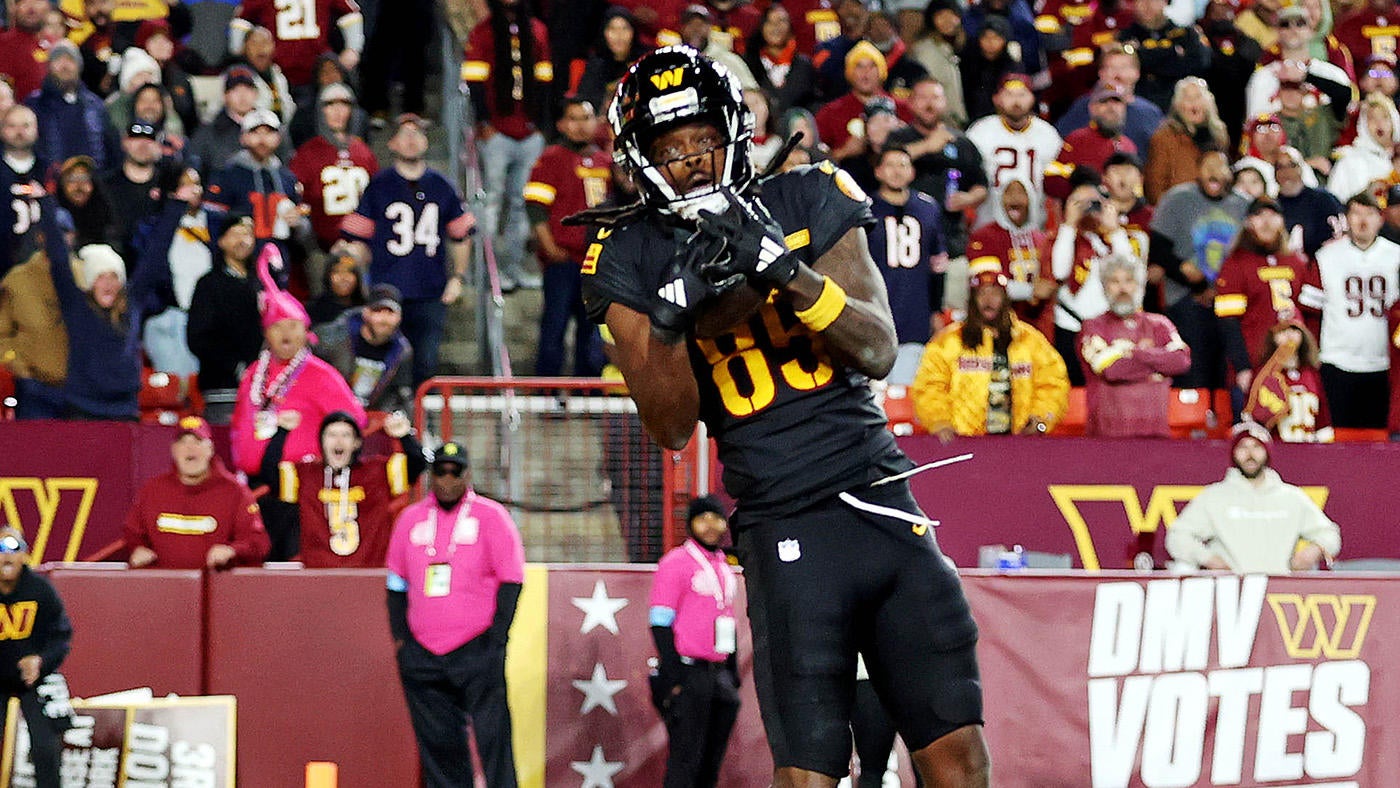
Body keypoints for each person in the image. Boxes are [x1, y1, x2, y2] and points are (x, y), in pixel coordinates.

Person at [577, 47, 990, 786]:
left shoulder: (807, 193)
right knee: (810, 772)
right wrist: (672, 318)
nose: (694, 163)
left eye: (703, 139)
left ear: (734, 130)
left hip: (881, 502)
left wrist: (784, 269)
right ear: (639, 160)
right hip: (782, 527)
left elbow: (878, 346)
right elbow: (670, 426)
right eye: (671, 150)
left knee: (957, 758)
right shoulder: (625, 252)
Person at [386, 441, 524, 788]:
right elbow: (395, 585)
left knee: (494, 741)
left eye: (454, 472)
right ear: (431, 475)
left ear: (467, 474)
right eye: (440, 471)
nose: (447, 480)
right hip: (423, 654)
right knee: (439, 744)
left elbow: (512, 580)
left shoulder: (492, 516)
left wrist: (496, 640)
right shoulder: (410, 518)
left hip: (476, 649)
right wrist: (403, 641)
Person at [230, 245, 365, 558]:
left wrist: (320, 462)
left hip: (300, 494)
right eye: (278, 327)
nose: (286, 333)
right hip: (256, 491)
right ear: (267, 332)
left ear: (305, 331)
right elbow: (239, 425)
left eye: (293, 326)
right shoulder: (253, 373)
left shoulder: (321, 374)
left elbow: (353, 422)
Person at [341, 114, 474, 386]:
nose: (412, 141)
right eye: (405, 134)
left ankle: (420, 423)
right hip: (387, 291)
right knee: (385, 363)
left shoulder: (442, 185)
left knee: (426, 364)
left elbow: (461, 235)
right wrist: (364, 279)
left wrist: (457, 278)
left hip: (430, 290)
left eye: (418, 134)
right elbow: (356, 239)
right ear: (392, 143)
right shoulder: (378, 184)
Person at [911, 258, 1069, 439]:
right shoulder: (947, 342)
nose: (988, 300)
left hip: (1020, 444)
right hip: (965, 443)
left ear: (1005, 298)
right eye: (982, 293)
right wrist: (940, 422)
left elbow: (1053, 383)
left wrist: (1041, 420)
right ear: (972, 300)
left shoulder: (1030, 341)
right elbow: (929, 387)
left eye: (995, 293)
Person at [649, 494, 741, 788]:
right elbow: (659, 622)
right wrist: (675, 675)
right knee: (685, 760)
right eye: (703, 518)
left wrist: (733, 673)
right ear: (691, 524)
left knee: (710, 764)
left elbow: (728, 620)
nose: (711, 525)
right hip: (689, 674)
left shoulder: (724, 565)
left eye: (716, 517)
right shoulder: (675, 563)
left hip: (719, 676)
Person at [461, 0, 554, 292]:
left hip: (529, 133)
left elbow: (545, 80)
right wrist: (484, 123)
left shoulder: (537, 30)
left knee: (521, 205)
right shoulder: (482, 32)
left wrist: (541, 126)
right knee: (491, 202)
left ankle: (512, 270)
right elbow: (474, 81)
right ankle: (486, 272)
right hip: (496, 132)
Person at [1165, 421, 1340, 573]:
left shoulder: (1291, 497)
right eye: (1243, 447)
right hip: (1233, 594)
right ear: (1233, 453)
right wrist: (1208, 559)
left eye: (1256, 447)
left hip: (1279, 593)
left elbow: (1330, 535)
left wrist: (1312, 552)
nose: (1250, 454)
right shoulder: (1214, 496)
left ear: (1267, 453)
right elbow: (1177, 537)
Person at [268, 410, 425, 567]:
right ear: (321, 441)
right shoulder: (305, 474)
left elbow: (417, 465)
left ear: (356, 442)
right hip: (319, 576)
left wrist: (404, 437)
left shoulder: (378, 471)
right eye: (331, 435)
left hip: (368, 574)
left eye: (346, 435)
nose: (338, 441)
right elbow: (270, 474)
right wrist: (281, 433)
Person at [1148, 151, 1248, 390]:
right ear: (1198, 171)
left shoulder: (1243, 204)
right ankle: (1192, 423)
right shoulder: (1177, 198)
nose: (1214, 172)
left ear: (1230, 173)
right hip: (1185, 299)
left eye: (1220, 167)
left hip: (1230, 301)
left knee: (1227, 374)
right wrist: (1198, 285)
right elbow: (1159, 250)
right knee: (1193, 375)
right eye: (1208, 166)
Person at [525, 97, 610, 377]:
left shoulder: (605, 160)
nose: (580, 125)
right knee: (555, 325)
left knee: (592, 331)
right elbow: (536, 208)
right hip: (562, 260)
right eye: (573, 118)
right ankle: (546, 394)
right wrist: (549, 247)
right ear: (562, 124)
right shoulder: (550, 158)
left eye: (585, 118)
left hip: (596, 264)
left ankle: (588, 395)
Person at [124, 415, 271, 569]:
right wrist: (137, 548)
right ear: (173, 450)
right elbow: (133, 532)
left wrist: (232, 550)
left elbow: (258, 542)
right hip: (163, 588)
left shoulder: (236, 492)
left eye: (198, 441)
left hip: (218, 589)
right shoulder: (152, 490)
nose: (190, 448)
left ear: (210, 449)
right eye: (183, 442)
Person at [1078, 255, 1192, 437]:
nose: (1122, 288)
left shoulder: (1160, 324)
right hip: (1106, 437)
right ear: (1105, 287)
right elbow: (1110, 369)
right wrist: (1158, 366)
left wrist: (1133, 352)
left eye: (1129, 281)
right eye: (1114, 281)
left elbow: (1181, 361)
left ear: (1140, 286)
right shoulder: (1093, 326)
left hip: (1156, 436)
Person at [1048, 179, 1147, 385]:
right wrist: (1069, 224)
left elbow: (1130, 272)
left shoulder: (1116, 239)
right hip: (1071, 326)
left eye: (1093, 202)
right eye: (1079, 203)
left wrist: (1114, 229)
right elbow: (1059, 271)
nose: (1087, 208)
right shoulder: (1063, 237)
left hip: (1109, 327)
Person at [1314, 193, 1398, 429]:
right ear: (1346, 218)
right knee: (1340, 437)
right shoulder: (1326, 257)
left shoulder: (1396, 256)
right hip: (1337, 361)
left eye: (1370, 213)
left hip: (1384, 362)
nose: (1363, 220)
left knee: (1379, 440)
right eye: (1357, 213)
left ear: (1380, 219)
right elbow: (1312, 312)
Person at [0, 526, 73, 788]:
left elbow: (61, 636)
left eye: (12, 548)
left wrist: (41, 661)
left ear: (25, 555)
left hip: (34, 681)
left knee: (46, 747)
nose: (5, 556)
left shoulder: (41, 590)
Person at [866, 145, 945, 383]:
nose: (897, 172)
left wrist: (936, 309)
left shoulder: (928, 208)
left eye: (902, 165)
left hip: (915, 314)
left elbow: (938, 265)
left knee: (907, 392)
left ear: (912, 172)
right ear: (878, 171)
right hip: (875, 314)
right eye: (890, 165)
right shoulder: (864, 210)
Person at [186, 213, 266, 424]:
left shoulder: (263, 283)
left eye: (248, 234)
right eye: (235, 234)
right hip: (223, 391)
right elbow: (198, 338)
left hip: (263, 390)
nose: (243, 240)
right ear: (221, 241)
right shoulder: (209, 284)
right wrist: (235, 366)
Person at [966, 73, 1062, 230]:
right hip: (988, 224)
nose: (1016, 101)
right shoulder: (980, 131)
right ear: (997, 98)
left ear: (1032, 98)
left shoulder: (1048, 134)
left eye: (1022, 95)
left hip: (1036, 226)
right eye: (1009, 95)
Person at [312, 283, 415, 413]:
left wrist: (396, 417)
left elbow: (400, 394)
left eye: (390, 313)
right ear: (366, 313)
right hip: (329, 413)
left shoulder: (402, 352)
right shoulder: (331, 337)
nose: (384, 319)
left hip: (370, 418)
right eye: (378, 311)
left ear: (399, 318)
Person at [26, 39, 122, 174]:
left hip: (91, 183)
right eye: (58, 60)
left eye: (70, 60)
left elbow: (110, 148)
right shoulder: (35, 104)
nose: (64, 66)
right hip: (51, 183)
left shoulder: (96, 105)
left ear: (79, 67)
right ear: (49, 66)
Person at [1143, 77, 1229, 204]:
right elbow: (1154, 187)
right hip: (1178, 211)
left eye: (1198, 97)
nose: (1194, 104)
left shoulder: (1219, 134)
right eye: (1188, 98)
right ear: (1178, 105)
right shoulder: (1164, 138)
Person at [1116, 0, 1211, 113]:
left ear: (1166, 2)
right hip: (1137, 106)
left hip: (1179, 107)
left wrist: (1143, 55)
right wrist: (1173, 54)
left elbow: (1201, 63)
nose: (1147, 5)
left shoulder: (1185, 34)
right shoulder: (1124, 37)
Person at [1246, 320, 1333, 442]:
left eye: (1294, 329)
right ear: (1272, 337)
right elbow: (1254, 417)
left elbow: (1322, 416)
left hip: (1309, 448)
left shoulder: (1311, 373)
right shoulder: (1263, 375)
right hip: (1277, 448)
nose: (1289, 334)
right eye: (1282, 331)